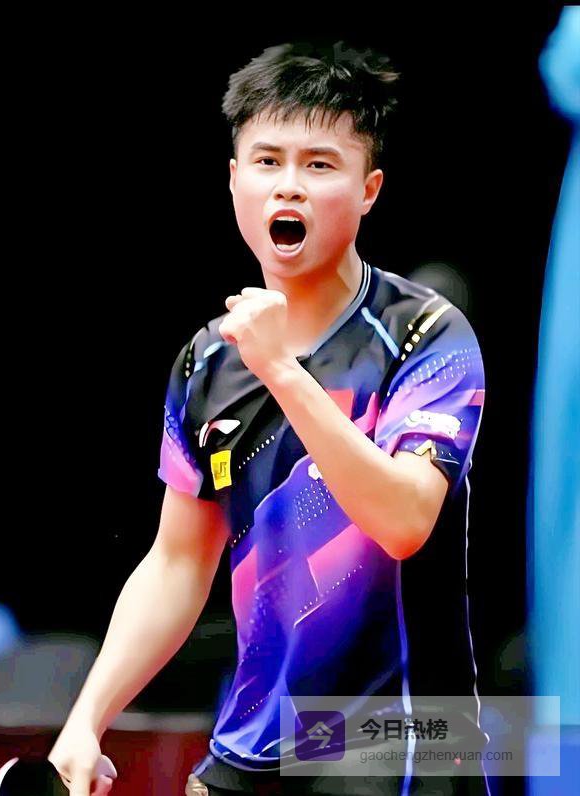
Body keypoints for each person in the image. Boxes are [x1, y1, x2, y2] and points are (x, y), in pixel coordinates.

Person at [49, 41, 490, 796]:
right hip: (252, 747)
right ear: (233, 180)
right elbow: (178, 561)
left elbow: (404, 519)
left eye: (319, 165)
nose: (289, 184)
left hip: (395, 748)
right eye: (267, 161)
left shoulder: (426, 335)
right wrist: (87, 720)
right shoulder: (207, 362)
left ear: (369, 190)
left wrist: (282, 370)